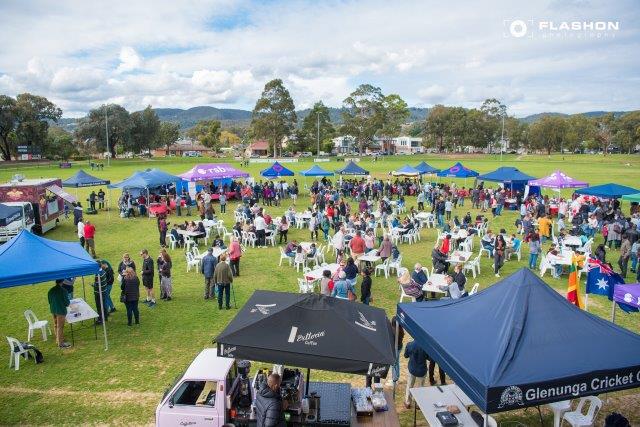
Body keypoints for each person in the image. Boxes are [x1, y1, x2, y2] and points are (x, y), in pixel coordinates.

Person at [403, 340, 428, 408]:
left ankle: (408, 402)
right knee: (420, 387)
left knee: (409, 385)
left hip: (412, 369)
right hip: (421, 369)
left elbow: (405, 355)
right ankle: (418, 404)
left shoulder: (410, 344)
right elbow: (429, 358)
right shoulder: (425, 346)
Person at [48, 280, 71, 348]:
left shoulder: (51, 290)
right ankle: (60, 344)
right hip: (60, 311)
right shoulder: (63, 291)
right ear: (62, 282)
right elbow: (67, 303)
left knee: (56, 325)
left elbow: (49, 301)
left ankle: (58, 339)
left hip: (53, 310)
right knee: (60, 327)